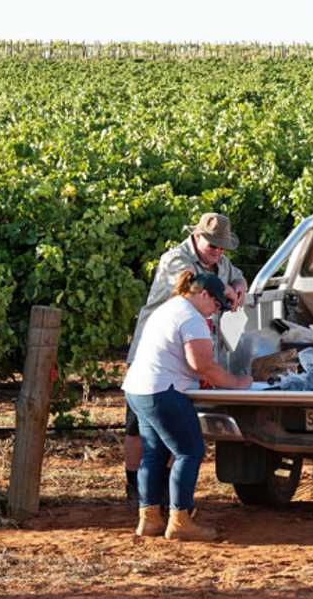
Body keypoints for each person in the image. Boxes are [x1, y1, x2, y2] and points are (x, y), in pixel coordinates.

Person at [124, 213, 247, 508]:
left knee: (162, 440)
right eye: (212, 245)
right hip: (154, 353)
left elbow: (234, 274)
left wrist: (238, 284)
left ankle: (154, 502)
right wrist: (234, 382)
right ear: (197, 236)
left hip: (180, 362)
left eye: (222, 247)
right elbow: (202, 364)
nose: (217, 251)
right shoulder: (177, 262)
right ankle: (139, 489)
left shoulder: (219, 265)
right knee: (159, 437)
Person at [123, 270, 252, 541]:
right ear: (203, 294)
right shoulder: (191, 317)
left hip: (138, 388)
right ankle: (180, 520)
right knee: (190, 451)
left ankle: (149, 519)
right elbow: (202, 366)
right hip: (163, 391)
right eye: (216, 305)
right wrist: (237, 383)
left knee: (153, 453)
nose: (214, 312)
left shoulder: (169, 308)